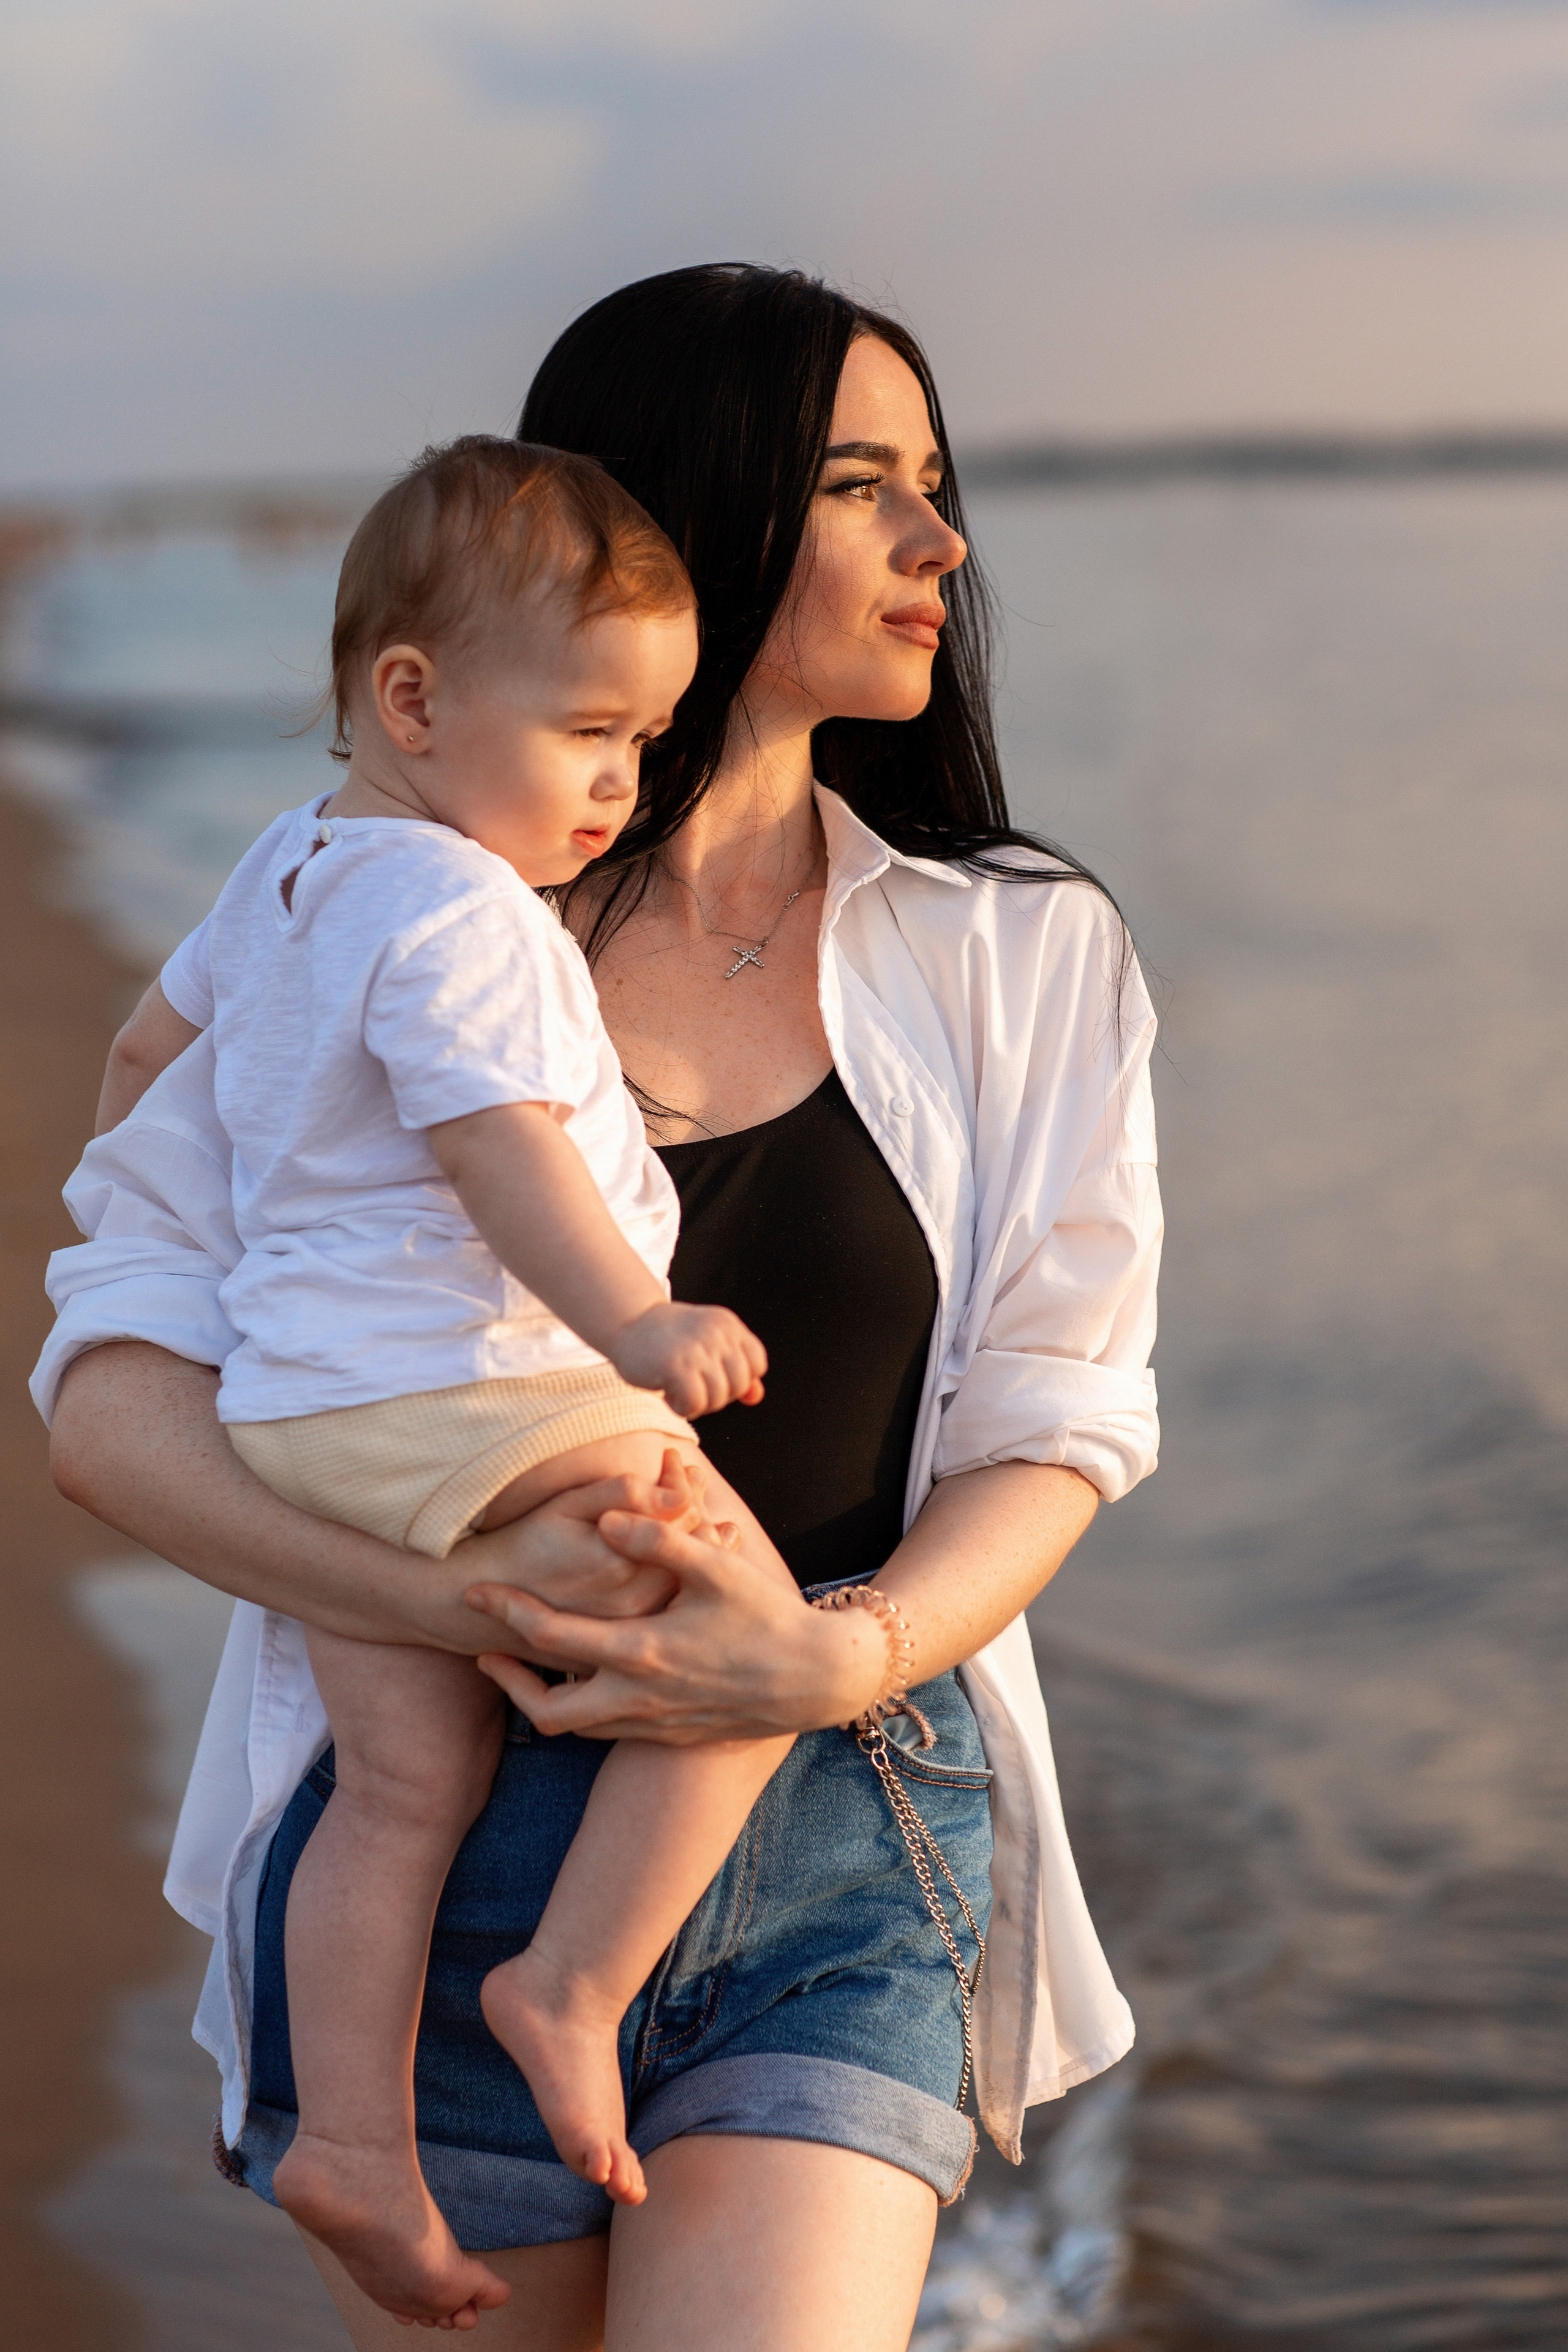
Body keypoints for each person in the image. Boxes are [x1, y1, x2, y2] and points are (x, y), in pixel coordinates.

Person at [37, 264, 1163, 2352]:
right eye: (862, 485)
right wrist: (475, 1617)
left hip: (841, 1813)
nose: (944, 544)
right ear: (676, 512)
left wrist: (832, 1662)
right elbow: (105, 1399)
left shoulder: (1029, 952)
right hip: (427, 1836)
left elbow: (1061, 1419)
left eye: (940, 483)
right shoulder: (391, 910)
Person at [99, 434, 829, 2326]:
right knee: (753, 1639)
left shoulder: (286, 869)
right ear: (412, 700)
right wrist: (637, 1334)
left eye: (651, 741)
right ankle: (570, 1985)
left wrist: (242, 1246)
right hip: (477, 1391)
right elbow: (506, 1150)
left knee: (401, 1784)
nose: (623, 782)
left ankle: (350, 2133)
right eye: (591, 730)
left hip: (303, 1413)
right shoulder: (462, 915)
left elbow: (136, 1060)